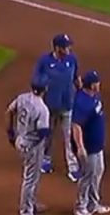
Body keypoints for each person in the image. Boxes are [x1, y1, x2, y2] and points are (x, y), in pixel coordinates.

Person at [33, 33, 80, 180]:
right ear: (58, 48)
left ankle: (73, 167)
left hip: (67, 105)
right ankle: (45, 160)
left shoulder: (72, 60)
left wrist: (80, 96)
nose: (69, 48)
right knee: (48, 135)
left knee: (69, 137)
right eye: (66, 46)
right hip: (49, 106)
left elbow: (76, 79)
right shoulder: (44, 61)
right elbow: (36, 82)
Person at [7, 76, 51, 215]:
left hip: (20, 140)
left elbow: (9, 111)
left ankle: (31, 203)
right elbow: (42, 132)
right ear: (45, 89)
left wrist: (10, 134)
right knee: (30, 178)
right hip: (32, 146)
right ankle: (26, 211)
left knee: (33, 176)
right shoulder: (42, 109)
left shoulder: (22, 98)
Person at [71, 70, 110, 215]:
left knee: (97, 173)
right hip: (88, 147)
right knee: (87, 176)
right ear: (92, 85)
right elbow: (76, 126)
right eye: (97, 82)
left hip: (97, 145)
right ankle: (80, 207)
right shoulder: (82, 102)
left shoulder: (93, 96)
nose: (99, 84)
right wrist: (80, 147)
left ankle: (93, 204)